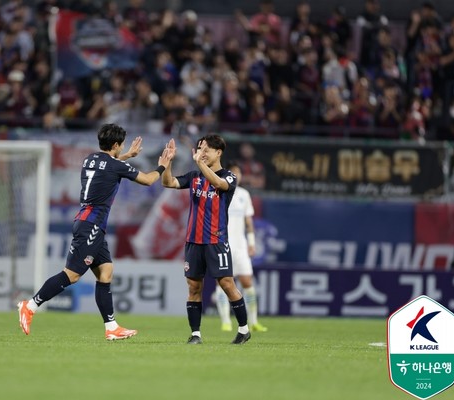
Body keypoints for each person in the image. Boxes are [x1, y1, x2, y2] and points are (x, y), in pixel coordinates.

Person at [17, 123, 174, 340]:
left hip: (89, 223)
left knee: (106, 271)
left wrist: (128, 155)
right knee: (71, 275)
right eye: (122, 146)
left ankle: (111, 328)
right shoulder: (115, 165)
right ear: (116, 144)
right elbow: (147, 180)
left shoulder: (89, 159)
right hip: (91, 225)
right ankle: (30, 305)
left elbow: (109, 166)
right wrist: (162, 166)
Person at [161, 135, 251, 345]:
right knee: (193, 287)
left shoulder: (229, 177)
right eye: (200, 149)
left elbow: (218, 182)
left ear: (218, 152)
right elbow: (169, 183)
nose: (201, 153)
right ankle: (195, 334)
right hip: (193, 241)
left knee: (227, 284)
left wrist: (200, 163)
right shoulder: (194, 176)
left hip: (216, 240)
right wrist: (168, 163)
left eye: (206, 150)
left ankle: (244, 329)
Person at [215, 162, 267, 333]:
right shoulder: (218, 192)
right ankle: (225, 321)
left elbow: (248, 222)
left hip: (241, 246)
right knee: (223, 283)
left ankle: (254, 321)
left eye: (238, 173)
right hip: (223, 245)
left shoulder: (244, 194)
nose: (236, 176)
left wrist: (251, 243)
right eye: (233, 173)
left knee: (247, 282)